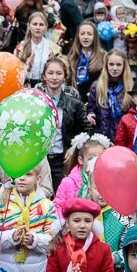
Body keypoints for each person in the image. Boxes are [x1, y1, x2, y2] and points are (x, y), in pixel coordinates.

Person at [37, 58, 86, 189]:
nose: (54, 77)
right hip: (39, 160)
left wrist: (75, 146)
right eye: (50, 73)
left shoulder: (74, 104)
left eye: (59, 73)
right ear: (44, 76)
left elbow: (87, 130)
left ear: (65, 76)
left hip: (62, 160)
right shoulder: (35, 102)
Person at [53, 133, 109, 218]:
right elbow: (58, 206)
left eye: (99, 158)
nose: (95, 162)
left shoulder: (108, 179)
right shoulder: (68, 182)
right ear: (81, 160)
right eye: (91, 159)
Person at [86, 50, 132, 142]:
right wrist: (90, 114)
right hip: (102, 136)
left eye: (118, 65)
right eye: (111, 64)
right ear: (106, 66)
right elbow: (91, 108)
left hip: (123, 137)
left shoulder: (130, 87)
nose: (115, 68)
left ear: (124, 66)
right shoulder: (97, 86)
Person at [68, 21, 104, 101]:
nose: (85, 37)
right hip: (75, 100)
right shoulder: (71, 58)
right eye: (82, 34)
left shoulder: (103, 57)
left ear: (94, 37)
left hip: (95, 100)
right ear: (78, 36)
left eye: (89, 34)